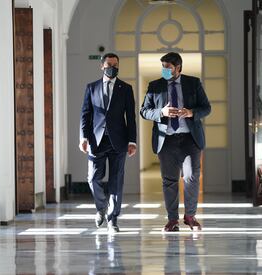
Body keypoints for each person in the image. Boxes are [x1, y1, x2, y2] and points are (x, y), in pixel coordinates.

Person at [140, 52, 211, 232]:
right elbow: (144, 111)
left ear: (178, 68)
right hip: (167, 141)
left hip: (190, 139)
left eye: (168, 68)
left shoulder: (193, 83)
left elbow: (206, 108)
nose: (164, 70)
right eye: (162, 67)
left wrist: (191, 113)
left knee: (191, 178)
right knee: (169, 180)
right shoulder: (155, 86)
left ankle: (190, 216)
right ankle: (172, 220)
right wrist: (161, 113)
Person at [79, 52, 137, 233]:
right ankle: (101, 207)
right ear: (102, 66)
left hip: (118, 142)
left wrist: (132, 141)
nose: (113, 67)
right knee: (92, 178)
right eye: (109, 64)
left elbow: (131, 117)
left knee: (116, 181)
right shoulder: (91, 87)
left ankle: (113, 219)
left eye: (116, 64)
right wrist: (83, 137)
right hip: (96, 141)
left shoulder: (126, 88)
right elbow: (85, 115)